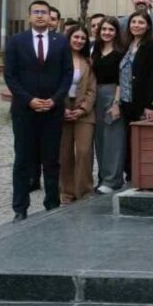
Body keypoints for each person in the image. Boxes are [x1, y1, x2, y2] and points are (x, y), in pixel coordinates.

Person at [5, 0, 73, 222]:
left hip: (52, 111)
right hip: (25, 111)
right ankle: (20, 208)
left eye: (44, 12)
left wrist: (54, 100)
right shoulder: (16, 41)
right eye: (36, 12)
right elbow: (10, 76)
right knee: (23, 159)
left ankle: (52, 204)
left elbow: (67, 75)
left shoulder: (61, 42)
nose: (41, 16)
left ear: (50, 16)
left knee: (51, 160)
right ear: (29, 16)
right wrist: (29, 100)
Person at [119, 10, 153, 182]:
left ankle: (139, 174)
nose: (136, 25)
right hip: (126, 100)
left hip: (141, 101)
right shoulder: (125, 45)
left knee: (139, 140)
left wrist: (150, 105)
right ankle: (129, 173)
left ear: (148, 26)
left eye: (141, 22)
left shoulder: (151, 46)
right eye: (134, 22)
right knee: (127, 139)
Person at [60, 25, 96, 204]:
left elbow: (92, 89)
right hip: (62, 109)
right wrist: (61, 108)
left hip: (83, 111)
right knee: (64, 153)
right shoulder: (58, 59)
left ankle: (84, 190)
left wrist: (82, 109)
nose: (79, 41)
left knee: (83, 151)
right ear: (69, 38)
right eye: (76, 37)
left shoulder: (88, 62)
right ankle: (67, 191)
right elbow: (53, 85)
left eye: (83, 38)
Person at [91, 18, 125, 194]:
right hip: (96, 96)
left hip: (113, 94)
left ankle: (113, 181)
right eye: (104, 29)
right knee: (100, 139)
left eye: (111, 29)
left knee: (114, 139)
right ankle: (104, 178)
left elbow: (122, 79)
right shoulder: (95, 51)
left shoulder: (121, 52)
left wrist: (116, 103)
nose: (106, 32)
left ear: (116, 32)